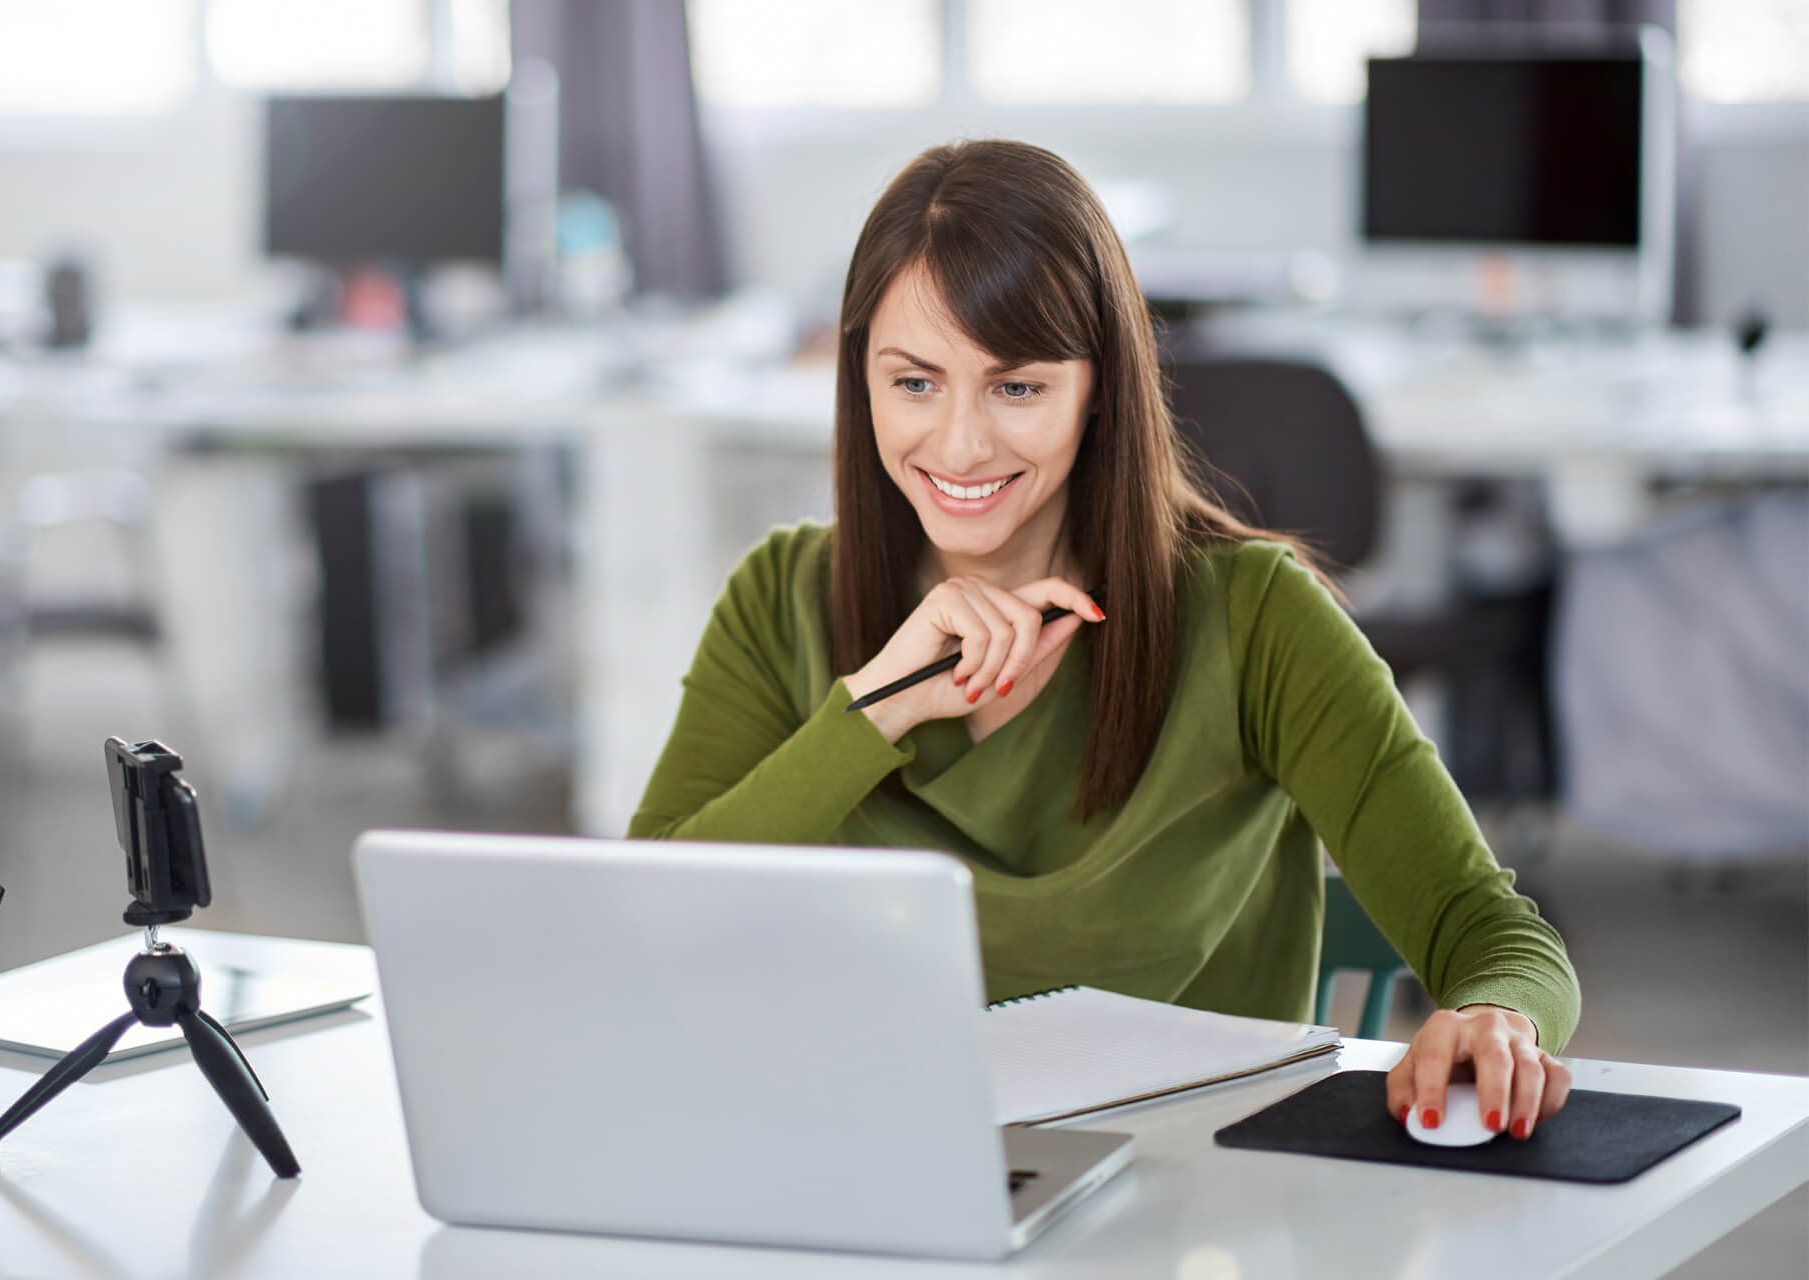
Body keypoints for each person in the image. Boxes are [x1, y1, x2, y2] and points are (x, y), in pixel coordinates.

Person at [630, 140, 1577, 1140]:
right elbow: (647, 925)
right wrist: (874, 710)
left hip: (1195, 1201)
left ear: (1100, 389)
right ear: (856, 373)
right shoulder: (782, 595)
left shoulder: (1256, 614)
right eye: (914, 382)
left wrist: (1497, 1016)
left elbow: (1495, 932)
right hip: (875, 1164)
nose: (958, 445)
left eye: (1018, 387)